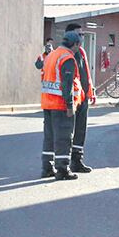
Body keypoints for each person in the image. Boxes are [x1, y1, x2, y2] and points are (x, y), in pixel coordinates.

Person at [40, 31, 84, 180]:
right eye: (79, 44)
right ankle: (62, 170)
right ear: (75, 44)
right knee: (64, 137)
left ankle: (47, 167)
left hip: (47, 102)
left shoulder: (52, 55)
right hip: (60, 104)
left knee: (50, 137)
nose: (79, 48)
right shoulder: (67, 58)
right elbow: (67, 83)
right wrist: (70, 105)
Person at [65, 23, 95, 173]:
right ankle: (63, 164)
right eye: (79, 34)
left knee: (81, 130)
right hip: (71, 100)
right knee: (68, 131)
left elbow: (86, 73)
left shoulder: (81, 52)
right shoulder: (66, 53)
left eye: (83, 35)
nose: (82, 37)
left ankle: (77, 160)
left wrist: (90, 90)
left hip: (83, 98)